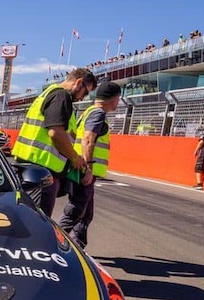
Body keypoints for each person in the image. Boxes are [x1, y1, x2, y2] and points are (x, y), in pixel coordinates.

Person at [11, 67, 97, 217]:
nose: (83, 98)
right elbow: (55, 133)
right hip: (41, 175)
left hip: (31, 168)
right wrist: (74, 158)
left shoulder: (50, 93)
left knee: (25, 220)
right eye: (86, 92)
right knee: (37, 224)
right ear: (79, 82)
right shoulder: (61, 97)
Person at [58, 81, 122, 249]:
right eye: (118, 98)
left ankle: (77, 244)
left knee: (86, 213)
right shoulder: (98, 114)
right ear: (113, 98)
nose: (118, 102)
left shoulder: (88, 111)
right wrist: (88, 168)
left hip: (78, 167)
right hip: (82, 170)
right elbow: (88, 139)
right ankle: (55, 241)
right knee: (76, 210)